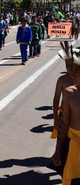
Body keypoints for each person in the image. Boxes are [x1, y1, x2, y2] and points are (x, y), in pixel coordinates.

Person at [52, 51, 80, 184]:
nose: (72, 74)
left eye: (77, 72)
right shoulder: (70, 92)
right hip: (72, 142)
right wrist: (58, 150)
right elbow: (64, 124)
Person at [51, 42, 74, 140]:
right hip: (64, 117)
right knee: (62, 143)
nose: (69, 68)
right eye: (66, 64)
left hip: (76, 118)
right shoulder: (62, 80)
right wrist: (56, 119)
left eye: (71, 65)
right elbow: (56, 99)